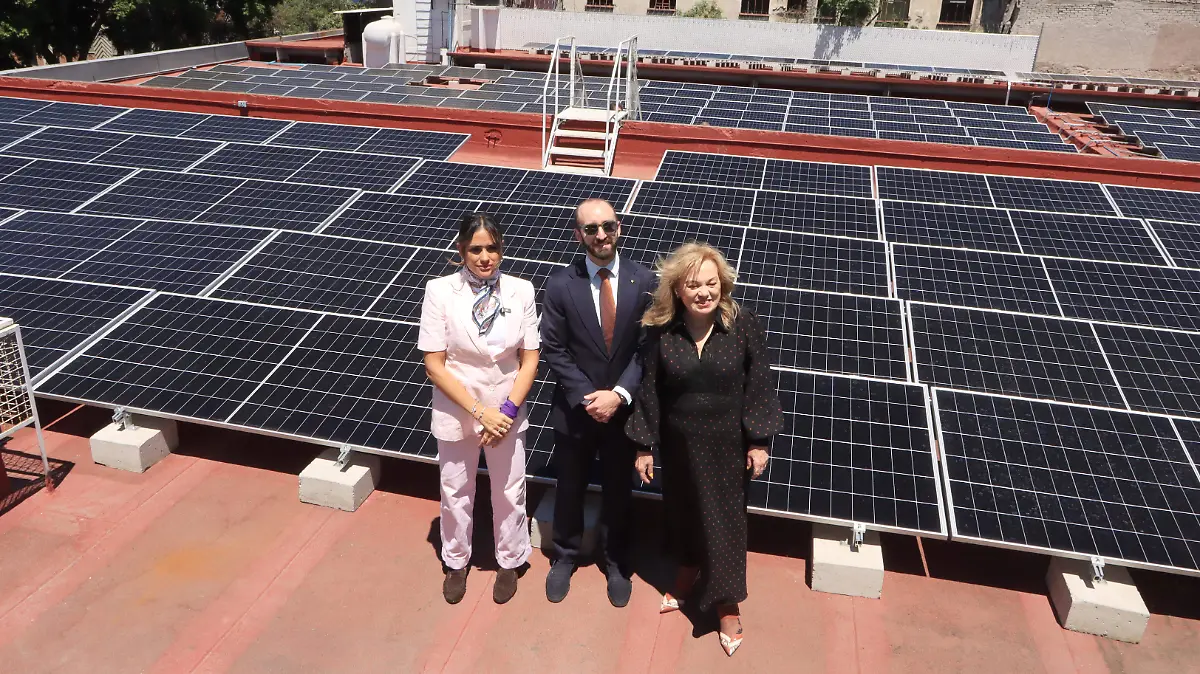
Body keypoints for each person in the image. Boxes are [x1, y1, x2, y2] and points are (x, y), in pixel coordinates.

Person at [625, 242, 783, 657]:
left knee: (726, 524)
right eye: (694, 285)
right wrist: (643, 445)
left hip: (727, 447)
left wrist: (759, 440)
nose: (704, 292)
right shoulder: (662, 331)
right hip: (679, 445)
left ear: (722, 284)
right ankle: (687, 572)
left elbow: (759, 382)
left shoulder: (742, 324)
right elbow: (650, 390)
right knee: (682, 514)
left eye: (711, 283)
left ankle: (726, 603)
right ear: (678, 289)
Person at [539, 198, 658, 607]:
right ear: (579, 235)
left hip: (623, 413)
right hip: (576, 411)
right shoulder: (560, 284)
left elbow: (647, 348)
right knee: (569, 487)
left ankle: (615, 562)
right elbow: (554, 348)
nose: (601, 235)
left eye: (607, 226)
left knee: (618, 491)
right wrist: (589, 398)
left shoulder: (644, 281)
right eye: (591, 229)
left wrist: (619, 395)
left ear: (619, 228)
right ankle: (565, 556)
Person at [418, 212, 541, 605]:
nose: (485, 257)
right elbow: (434, 364)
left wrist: (505, 411)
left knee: (509, 489)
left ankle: (510, 560)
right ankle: (456, 561)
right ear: (461, 250)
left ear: (501, 249)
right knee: (456, 490)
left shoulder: (521, 291)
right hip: (458, 410)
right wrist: (479, 411)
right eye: (476, 249)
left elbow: (530, 358)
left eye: (492, 248)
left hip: (507, 410)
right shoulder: (439, 291)